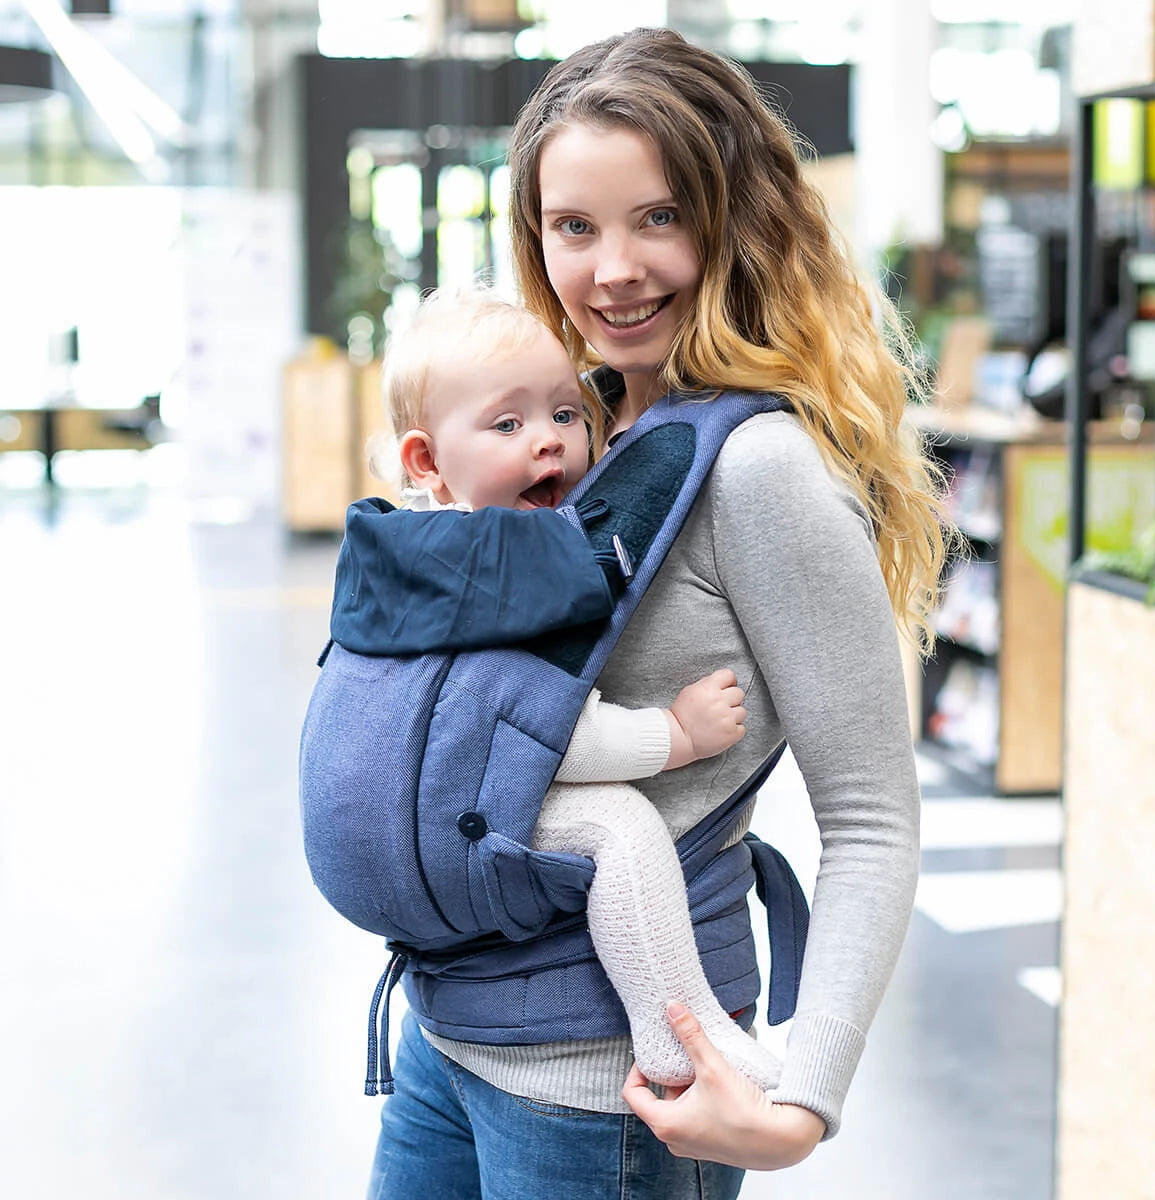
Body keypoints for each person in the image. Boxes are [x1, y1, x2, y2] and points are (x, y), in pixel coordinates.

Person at [367, 27, 950, 1200]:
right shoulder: (574, 431)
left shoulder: (759, 467)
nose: (613, 268)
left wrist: (802, 1104)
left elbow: (872, 816)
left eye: (660, 217)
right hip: (450, 1031)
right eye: (574, 226)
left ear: (734, 221)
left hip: (610, 1087)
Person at [355, 286, 783, 1091]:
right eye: (507, 425)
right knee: (620, 825)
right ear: (424, 462)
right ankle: (678, 1032)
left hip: (408, 813)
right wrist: (676, 734)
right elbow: (539, 736)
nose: (550, 443)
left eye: (564, 413)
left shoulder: (406, 547)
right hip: (455, 803)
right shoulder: (494, 564)